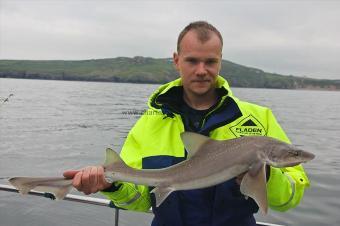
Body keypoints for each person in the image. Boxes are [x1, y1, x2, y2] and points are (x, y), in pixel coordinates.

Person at [63, 21, 310, 226]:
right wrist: (112, 186)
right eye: (192, 61)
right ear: (176, 60)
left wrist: (266, 176)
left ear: (220, 61)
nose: (202, 70)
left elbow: (291, 198)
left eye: (210, 62)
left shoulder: (259, 118)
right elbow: (139, 200)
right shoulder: (150, 124)